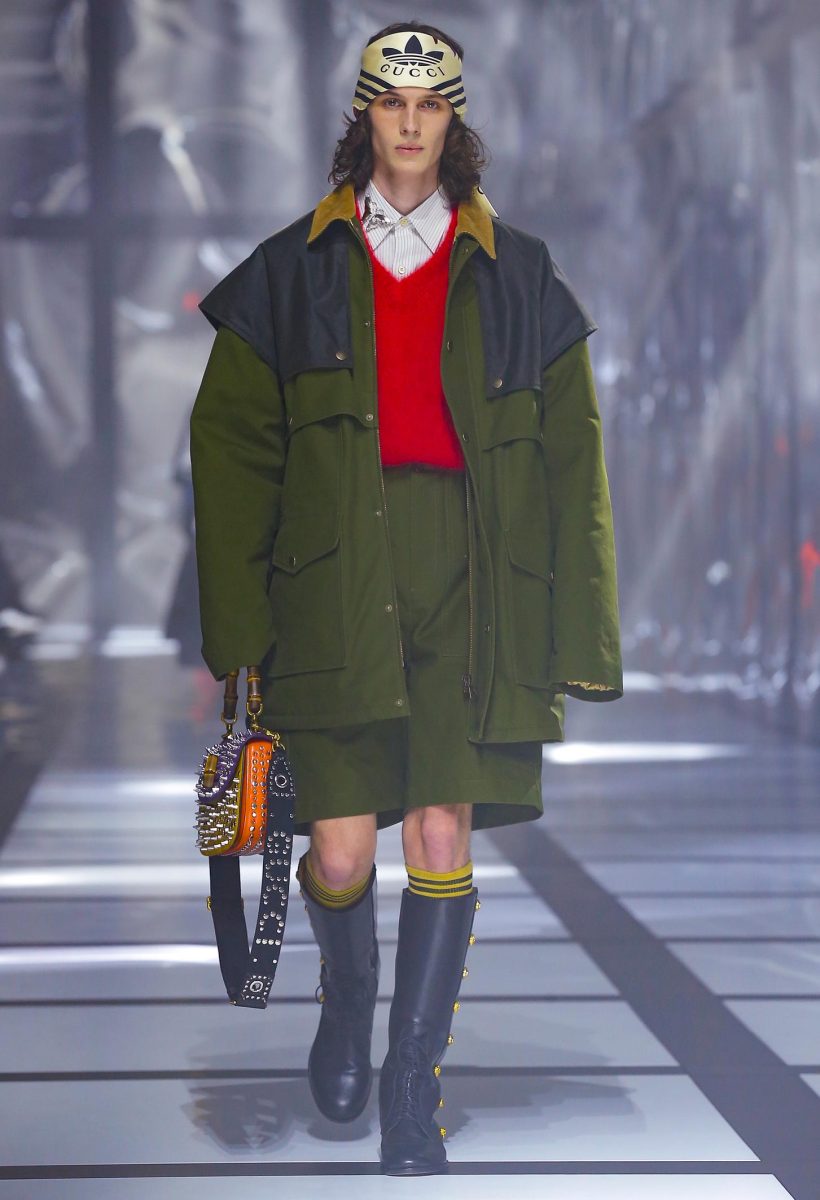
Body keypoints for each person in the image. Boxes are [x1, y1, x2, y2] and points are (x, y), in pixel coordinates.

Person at [190, 20, 623, 1176]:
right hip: (334, 574)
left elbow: (574, 460)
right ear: (365, 115)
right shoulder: (291, 271)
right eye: (393, 102)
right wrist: (237, 632)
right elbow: (230, 451)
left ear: (455, 119)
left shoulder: (519, 272)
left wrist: (579, 632)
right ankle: (346, 1003)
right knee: (337, 847)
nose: (412, 123)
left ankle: (409, 1085)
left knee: (440, 824)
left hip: (470, 574)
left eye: (431, 105)